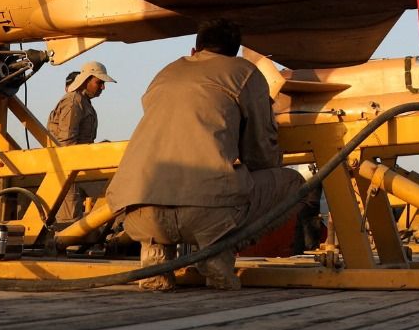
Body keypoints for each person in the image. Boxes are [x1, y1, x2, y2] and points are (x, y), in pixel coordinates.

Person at [105, 19, 303, 291]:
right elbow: (261, 151)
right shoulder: (243, 72)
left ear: (194, 49)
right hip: (206, 214)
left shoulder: (166, 73)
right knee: (295, 184)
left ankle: (155, 259)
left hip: (137, 208)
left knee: (166, 209)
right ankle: (216, 253)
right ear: (234, 52)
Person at [47, 62, 116, 220]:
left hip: (76, 168)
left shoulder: (82, 102)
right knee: (69, 223)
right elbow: (67, 146)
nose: (103, 87)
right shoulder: (73, 102)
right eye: (99, 82)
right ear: (86, 80)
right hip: (67, 170)